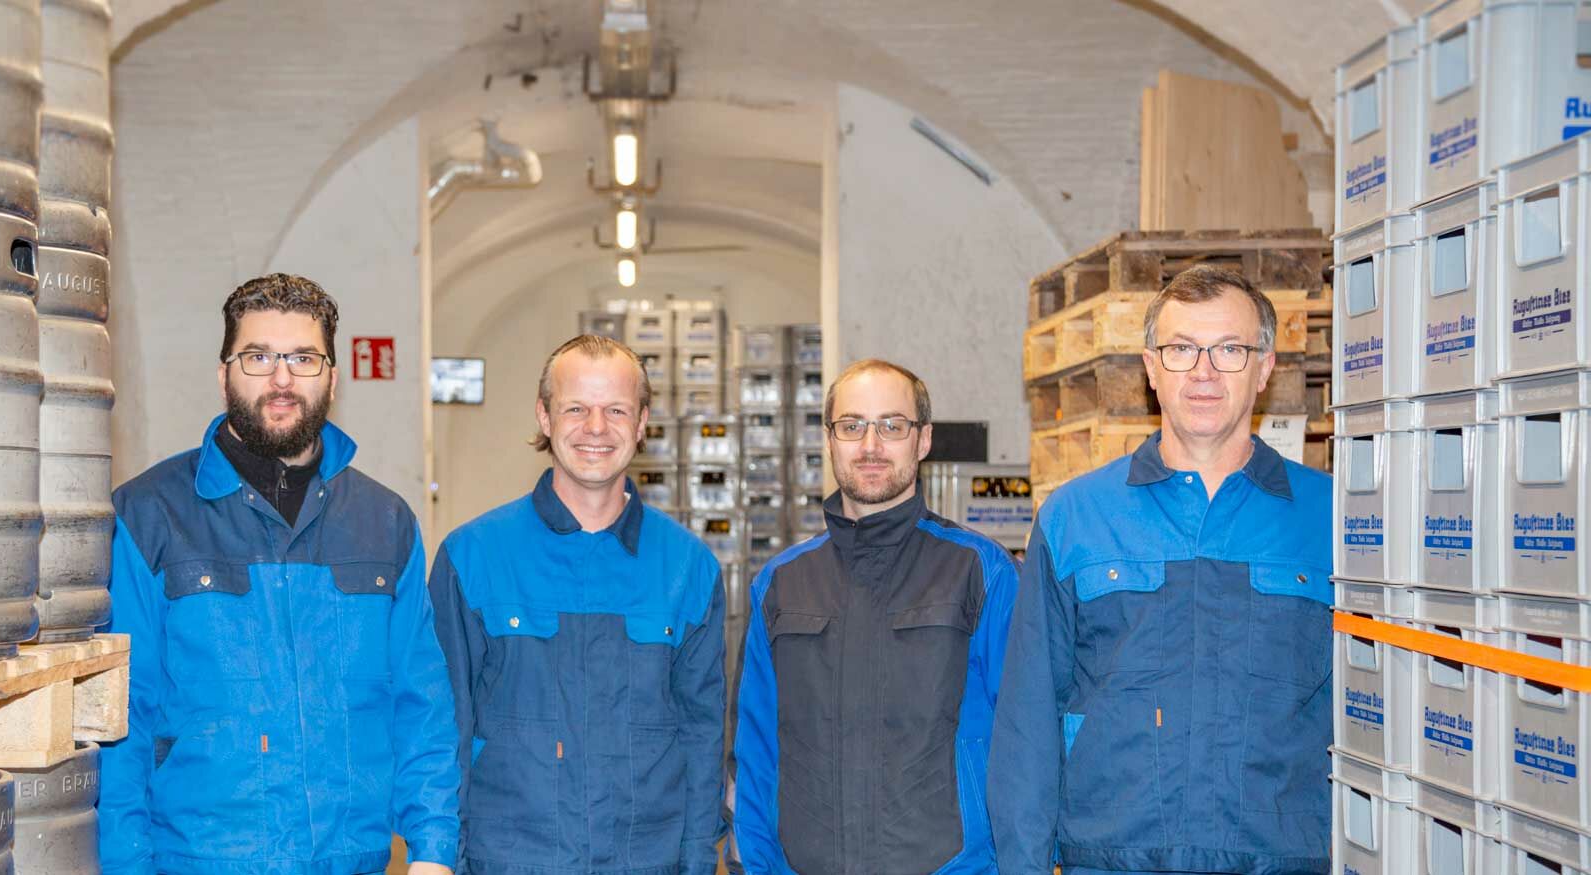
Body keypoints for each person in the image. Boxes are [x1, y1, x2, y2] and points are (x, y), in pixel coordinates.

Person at [99, 274, 460, 875]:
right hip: (198, 861)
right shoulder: (149, 515)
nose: (282, 378)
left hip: (350, 861)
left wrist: (434, 851)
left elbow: (420, 702)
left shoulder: (385, 522)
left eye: (303, 358)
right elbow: (121, 718)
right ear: (224, 375)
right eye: (258, 357)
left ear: (332, 378)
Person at [989, 266, 1334, 875]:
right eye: (1181, 349)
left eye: (1229, 349)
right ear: (1151, 369)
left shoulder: (1330, 519)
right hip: (1111, 860)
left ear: (1264, 368)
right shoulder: (1076, 517)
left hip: (1282, 860)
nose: (1203, 371)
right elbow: (1029, 720)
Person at [429, 334, 727, 875]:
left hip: (646, 863)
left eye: (616, 409)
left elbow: (702, 737)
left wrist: (698, 862)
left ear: (642, 422)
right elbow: (443, 730)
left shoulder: (689, 568)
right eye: (575, 408)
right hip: (510, 863)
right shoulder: (473, 557)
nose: (596, 427)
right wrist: (442, 858)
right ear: (544, 416)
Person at [732, 358, 1017, 875]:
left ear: (923, 439)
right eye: (852, 426)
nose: (870, 445)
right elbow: (756, 753)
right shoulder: (779, 584)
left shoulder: (981, 571)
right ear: (830, 439)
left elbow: (1024, 740)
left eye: (891, 425)